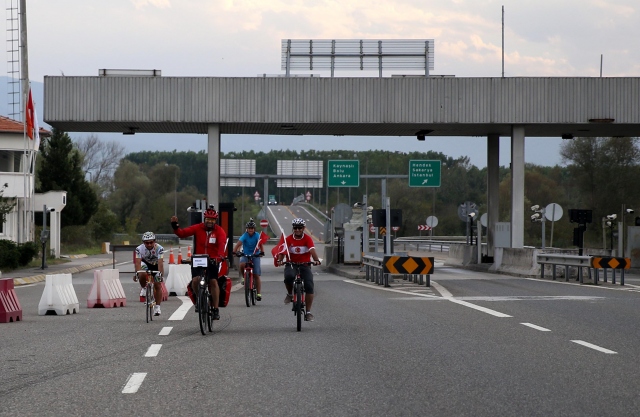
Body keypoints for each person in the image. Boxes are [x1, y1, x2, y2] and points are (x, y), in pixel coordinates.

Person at [170, 205, 227, 320]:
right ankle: (199, 299)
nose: (210, 222)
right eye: (208, 219)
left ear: (215, 221)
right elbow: (182, 233)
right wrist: (175, 226)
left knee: (213, 281)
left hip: (212, 259)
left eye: (212, 220)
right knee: (195, 280)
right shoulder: (198, 228)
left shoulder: (219, 231)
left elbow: (222, 244)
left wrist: (220, 256)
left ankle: (215, 309)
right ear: (204, 219)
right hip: (198, 258)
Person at [276, 218, 321, 321]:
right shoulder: (288, 239)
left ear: (303, 228)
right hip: (291, 264)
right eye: (295, 228)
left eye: (299, 228)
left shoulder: (307, 239)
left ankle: (308, 312)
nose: (297, 230)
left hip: (305, 265)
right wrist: (280, 260)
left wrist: (316, 260)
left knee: (309, 285)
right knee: (288, 277)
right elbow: (283, 252)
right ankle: (290, 294)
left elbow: (312, 250)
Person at [133, 231, 165, 316]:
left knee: (157, 285)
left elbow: (160, 263)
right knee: (142, 273)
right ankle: (144, 288)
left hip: (156, 265)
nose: (149, 244)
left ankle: (157, 307)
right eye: (147, 243)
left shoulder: (160, 248)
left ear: (154, 241)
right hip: (145, 264)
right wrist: (136, 273)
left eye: (151, 242)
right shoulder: (139, 249)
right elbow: (138, 263)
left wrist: (160, 274)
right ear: (143, 243)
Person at [232, 218, 265, 301]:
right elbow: (238, 244)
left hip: (255, 255)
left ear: (254, 229)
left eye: (252, 228)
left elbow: (260, 244)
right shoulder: (245, 235)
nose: (250, 230)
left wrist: (262, 252)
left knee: (256, 275)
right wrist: (234, 252)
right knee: (242, 264)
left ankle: (258, 293)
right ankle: (244, 277)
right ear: (247, 229)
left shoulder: (257, 235)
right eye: (249, 228)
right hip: (246, 254)